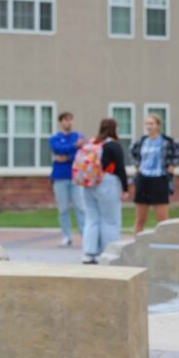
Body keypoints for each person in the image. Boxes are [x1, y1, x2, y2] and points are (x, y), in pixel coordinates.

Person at [130, 113, 179, 235]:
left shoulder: (166, 141)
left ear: (158, 125)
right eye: (147, 123)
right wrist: (137, 165)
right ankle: (134, 244)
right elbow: (132, 153)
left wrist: (173, 164)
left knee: (162, 219)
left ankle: (165, 245)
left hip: (159, 179)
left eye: (151, 124)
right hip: (143, 179)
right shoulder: (142, 141)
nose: (149, 126)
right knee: (140, 218)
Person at [81, 118, 130, 264]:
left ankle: (89, 253)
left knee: (91, 219)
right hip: (107, 182)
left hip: (88, 184)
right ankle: (109, 252)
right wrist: (125, 188)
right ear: (114, 129)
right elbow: (120, 168)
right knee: (110, 220)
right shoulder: (113, 146)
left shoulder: (92, 144)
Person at [49, 112, 86, 247]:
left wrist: (67, 157)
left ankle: (85, 236)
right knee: (63, 208)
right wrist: (74, 146)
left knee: (80, 208)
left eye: (70, 120)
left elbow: (81, 153)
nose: (68, 122)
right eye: (65, 120)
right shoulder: (55, 138)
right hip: (60, 177)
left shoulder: (78, 136)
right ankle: (66, 236)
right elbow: (57, 149)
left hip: (76, 178)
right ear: (61, 122)